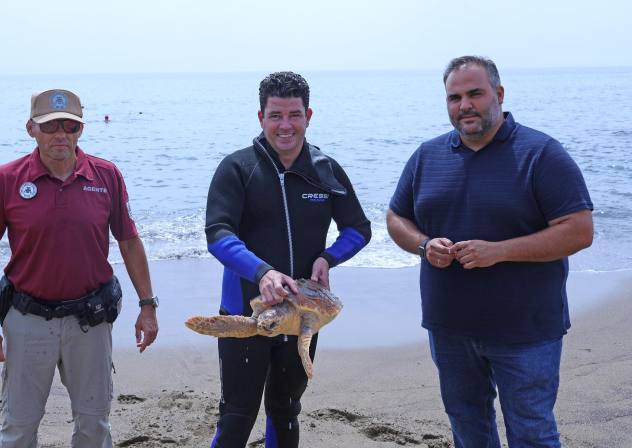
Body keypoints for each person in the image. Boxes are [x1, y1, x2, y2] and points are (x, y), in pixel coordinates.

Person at [387, 56, 594, 447]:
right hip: (449, 327)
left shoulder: (541, 153)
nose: (465, 105)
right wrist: (423, 244)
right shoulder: (427, 156)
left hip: (525, 330)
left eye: (475, 94)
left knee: (531, 432)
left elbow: (579, 231)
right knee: (468, 426)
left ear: (498, 94)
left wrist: (499, 251)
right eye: (454, 98)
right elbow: (397, 216)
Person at [0, 89, 159, 448]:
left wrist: (148, 305)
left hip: (91, 321)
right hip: (27, 320)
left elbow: (130, 242)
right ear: (31, 128)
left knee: (94, 424)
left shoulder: (106, 175)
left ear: (80, 129)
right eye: (50, 126)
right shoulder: (5, 179)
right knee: (18, 426)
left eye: (70, 126)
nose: (60, 134)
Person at [204, 71, 371, 447]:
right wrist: (262, 272)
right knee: (237, 415)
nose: (285, 125)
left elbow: (359, 228)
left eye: (294, 114)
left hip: (303, 316)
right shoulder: (238, 168)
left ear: (308, 116)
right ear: (260, 117)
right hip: (246, 314)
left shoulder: (325, 170)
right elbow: (218, 234)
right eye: (275, 115)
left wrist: (328, 258)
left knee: (285, 410)